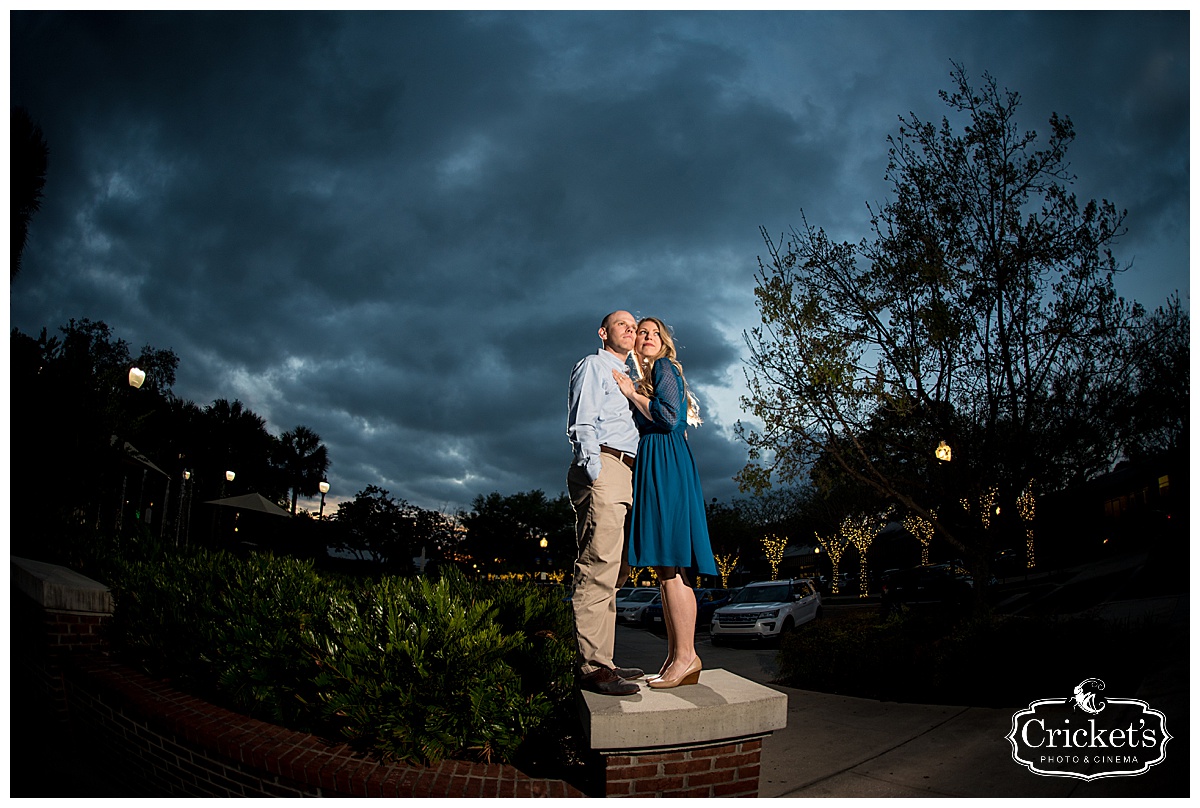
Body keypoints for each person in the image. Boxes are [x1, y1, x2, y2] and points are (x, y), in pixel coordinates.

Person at [612, 317, 717, 689]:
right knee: (665, 568)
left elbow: (670, 418)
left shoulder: (664, 367)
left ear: (664, 342)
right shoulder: (650, 374)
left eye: (656, 332)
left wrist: (631, 394)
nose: (649, 337)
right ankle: (676, 657)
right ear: (635, 343)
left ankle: (687, 656)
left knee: (671, 563)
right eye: (643, 333)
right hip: (657, 463)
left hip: (667, 463)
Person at [566, 310, 646, 696]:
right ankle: (593, 667)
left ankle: (606, 660)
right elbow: (582, 421)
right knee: (597, 566)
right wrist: (595, 469)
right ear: (603, 332)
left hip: (628, 472)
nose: (630, 330)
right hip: (606, 464)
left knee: (616, 572)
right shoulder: (593, 366)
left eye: (634, 326)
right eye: (622, 325)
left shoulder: (630, 375)